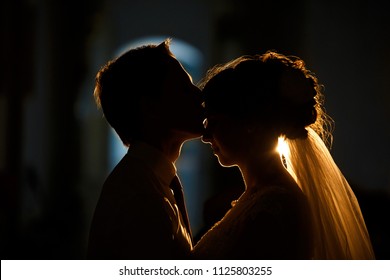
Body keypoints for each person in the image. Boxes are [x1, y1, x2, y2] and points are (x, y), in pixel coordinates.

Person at [193, 51, 375, 259]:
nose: (205, 136)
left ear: (250, 123)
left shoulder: (276, 205)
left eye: (213, 122)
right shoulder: (258, 197)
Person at [87, 39, 204, 259]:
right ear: (150, 107)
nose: (199, 96)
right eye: (183, 87)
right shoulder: (141, 199)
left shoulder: (148, 181)